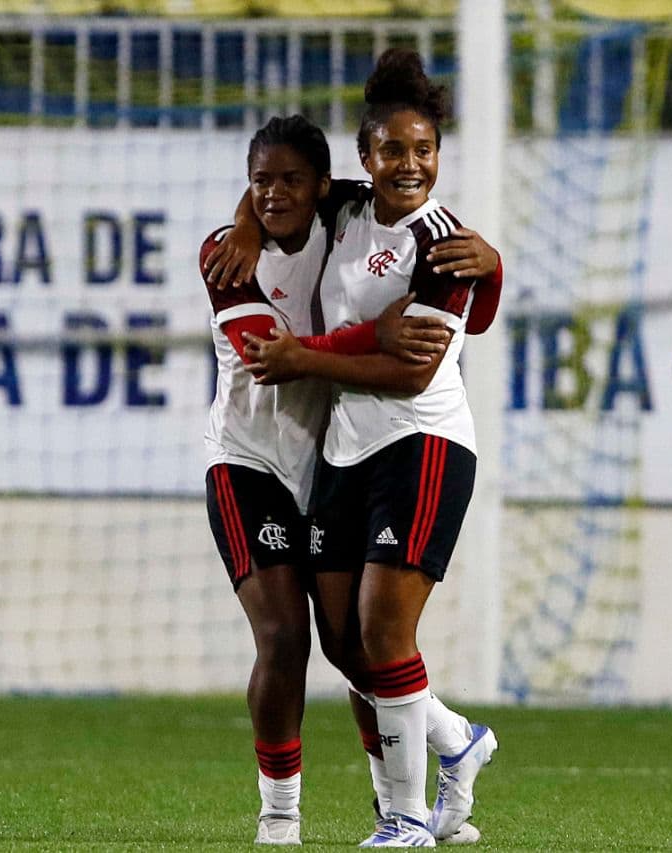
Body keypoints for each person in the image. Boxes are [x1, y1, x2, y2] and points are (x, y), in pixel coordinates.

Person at [201, 114, 497, 846]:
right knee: (289, 638)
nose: (274, 194)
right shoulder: (225, 254)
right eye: (259, 183)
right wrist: (375, 331)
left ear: (325, 185)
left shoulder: (355, 214)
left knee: (363, 638)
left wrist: (492, 262)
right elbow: (271, 354)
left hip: (337, 453)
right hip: (250, 460)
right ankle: (280, 816)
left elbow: (457, 329)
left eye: (290, 180)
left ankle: (414, 790)